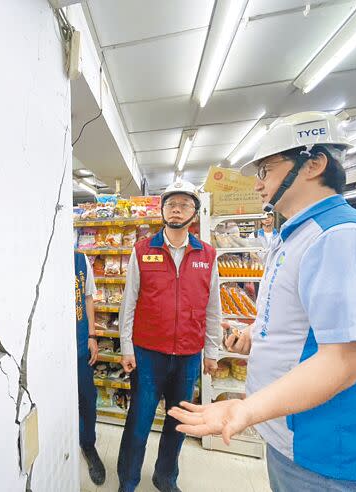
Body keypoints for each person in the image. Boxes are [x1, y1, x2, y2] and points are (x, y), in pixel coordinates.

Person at [168, 111, 356, 490]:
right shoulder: (297, 236)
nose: (259, 183)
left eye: (266, 169)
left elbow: (344, 360)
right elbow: (308, 327)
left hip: (329, 456)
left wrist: (245, 409)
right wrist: (258, 334)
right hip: (290, 438)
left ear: (313, 164)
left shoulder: (342, 238)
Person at [116, 180, 222, 492]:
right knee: (139, 420)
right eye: (171, 204)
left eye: (185, 204)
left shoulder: (208, 254)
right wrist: (126, 347)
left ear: (195, 213)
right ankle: (128, 480)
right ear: (162, 210)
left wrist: (212, 351)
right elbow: (129, 302)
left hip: (189, 353)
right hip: (148, 352)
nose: (177, 209)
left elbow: (213, 306)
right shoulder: (142, 249)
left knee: (178, 422)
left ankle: (165, 478)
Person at [74, 251, 105, 485]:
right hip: (51, 348)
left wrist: (92, 335)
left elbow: (87, 297)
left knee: (87, 396)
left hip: (79, 340)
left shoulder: (80, 259)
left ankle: (88, 445)